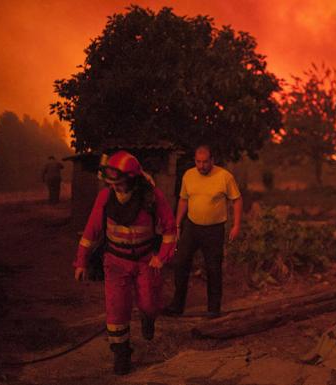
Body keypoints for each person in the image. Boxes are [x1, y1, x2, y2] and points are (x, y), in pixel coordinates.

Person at [73, 151, 176, 375]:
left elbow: (170, 229)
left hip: (145, 262)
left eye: (119, 183)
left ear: (132, 179)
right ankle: (121, 353)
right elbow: (91, 230)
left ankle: (148, 318)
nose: (115, 188)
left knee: (149, 303)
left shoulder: (152, 197)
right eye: (112, 184)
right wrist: (80, 261)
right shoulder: (105, 198)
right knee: (116, 308)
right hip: (115, 262)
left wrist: (162, 257)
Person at [164, 145, 242, 318]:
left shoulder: (224, 176)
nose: (201, 166)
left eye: (205, 162)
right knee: (180, 262)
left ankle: (213, 308)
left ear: (212, 160)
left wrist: (236, 225)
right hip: (192, 226)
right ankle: (177, 305)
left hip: (214, 229)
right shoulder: (189, 175)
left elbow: (236, 200)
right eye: (198, 162)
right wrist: (177, 224)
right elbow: (184, 200)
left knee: (213, 268)